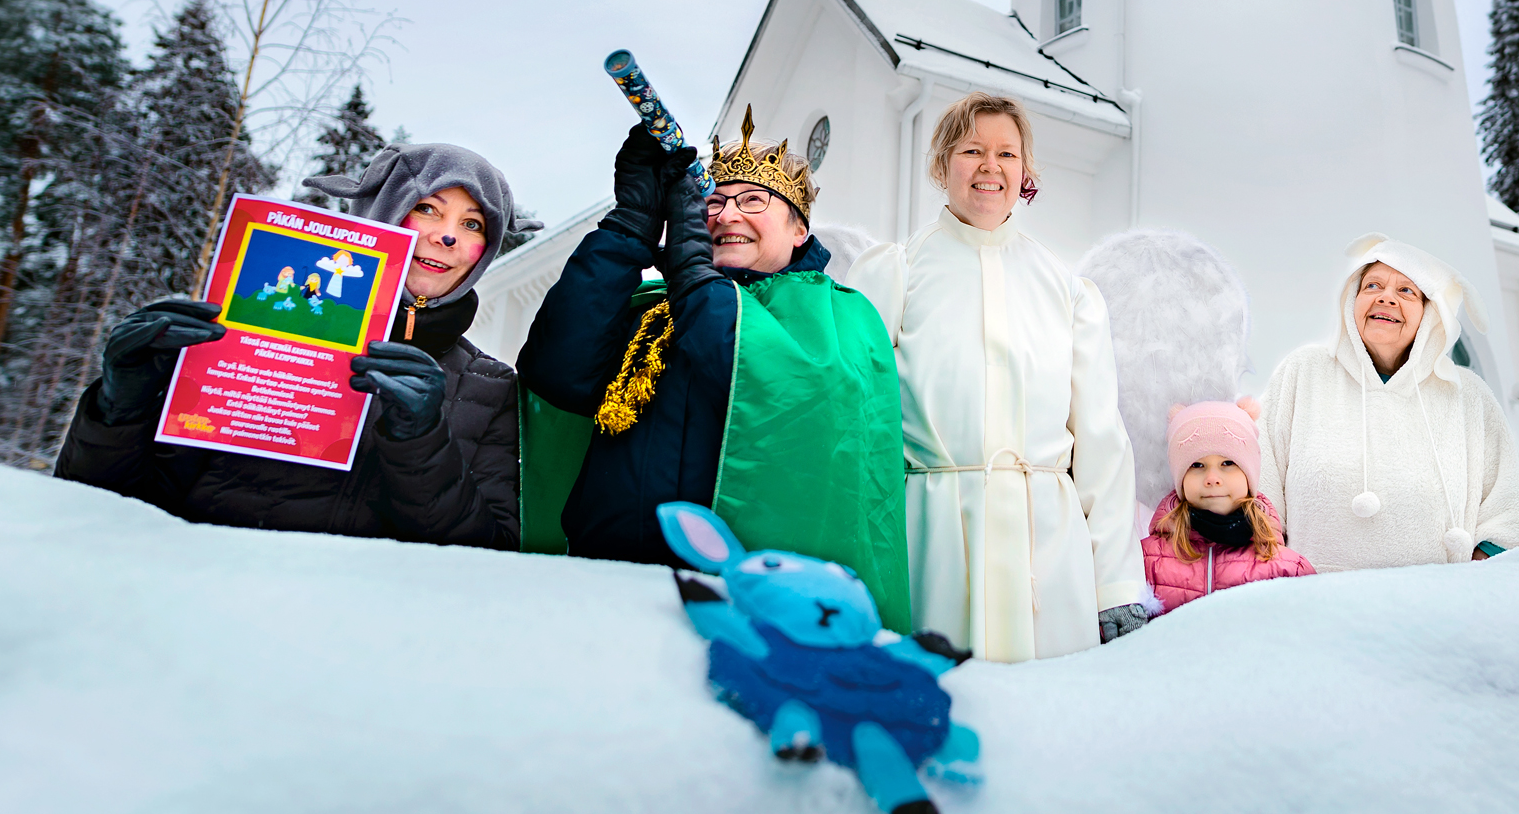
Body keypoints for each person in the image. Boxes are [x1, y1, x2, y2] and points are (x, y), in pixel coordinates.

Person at [516, 109, 910, 632]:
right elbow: (557, 373)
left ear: (799, 230)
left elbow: (777, 388)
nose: (725, 216)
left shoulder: (839, 315)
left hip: (744, 602)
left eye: (752, 201)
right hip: (606, 580)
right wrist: (629, 225)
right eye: (713, 201)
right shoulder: (653, 307)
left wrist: (693, 271)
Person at [55, 144, 539, 549]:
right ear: (381, 214)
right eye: (427, 208)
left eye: (473, 224)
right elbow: (104, 510)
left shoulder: (492, 390)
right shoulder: (241, 336)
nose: (448, 235)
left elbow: (486, 557)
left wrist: (421, 441)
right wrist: (121, 405)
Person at [849, 91, 1146, 663]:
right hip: (933, 535)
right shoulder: (897, 273)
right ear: (942, 165)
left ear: (1025, 170)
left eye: (1007, 154)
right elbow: (858, 423)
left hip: (1049, 545)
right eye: (972, 150)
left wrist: (1113, 586)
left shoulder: (1068, 290)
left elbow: (1103, 444)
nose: (991, 166)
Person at [1259, 234, 1519, 572]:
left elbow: (1510, 504)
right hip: (1320, 602)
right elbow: (1260, 479)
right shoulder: (1304, 373)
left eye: (1406, 291)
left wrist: (1480, 567)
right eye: (1372, 286)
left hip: (1433, 608)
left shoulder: (1466, 395)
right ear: (1351, 299)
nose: (1386, 298)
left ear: (1430, 313)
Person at [1142, 400, 1314, 615]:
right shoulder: (1143, 562)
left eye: (1227, 463)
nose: (1212, 478)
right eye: (1197, 465)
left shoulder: (1288, 567)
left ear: (1249, 473)